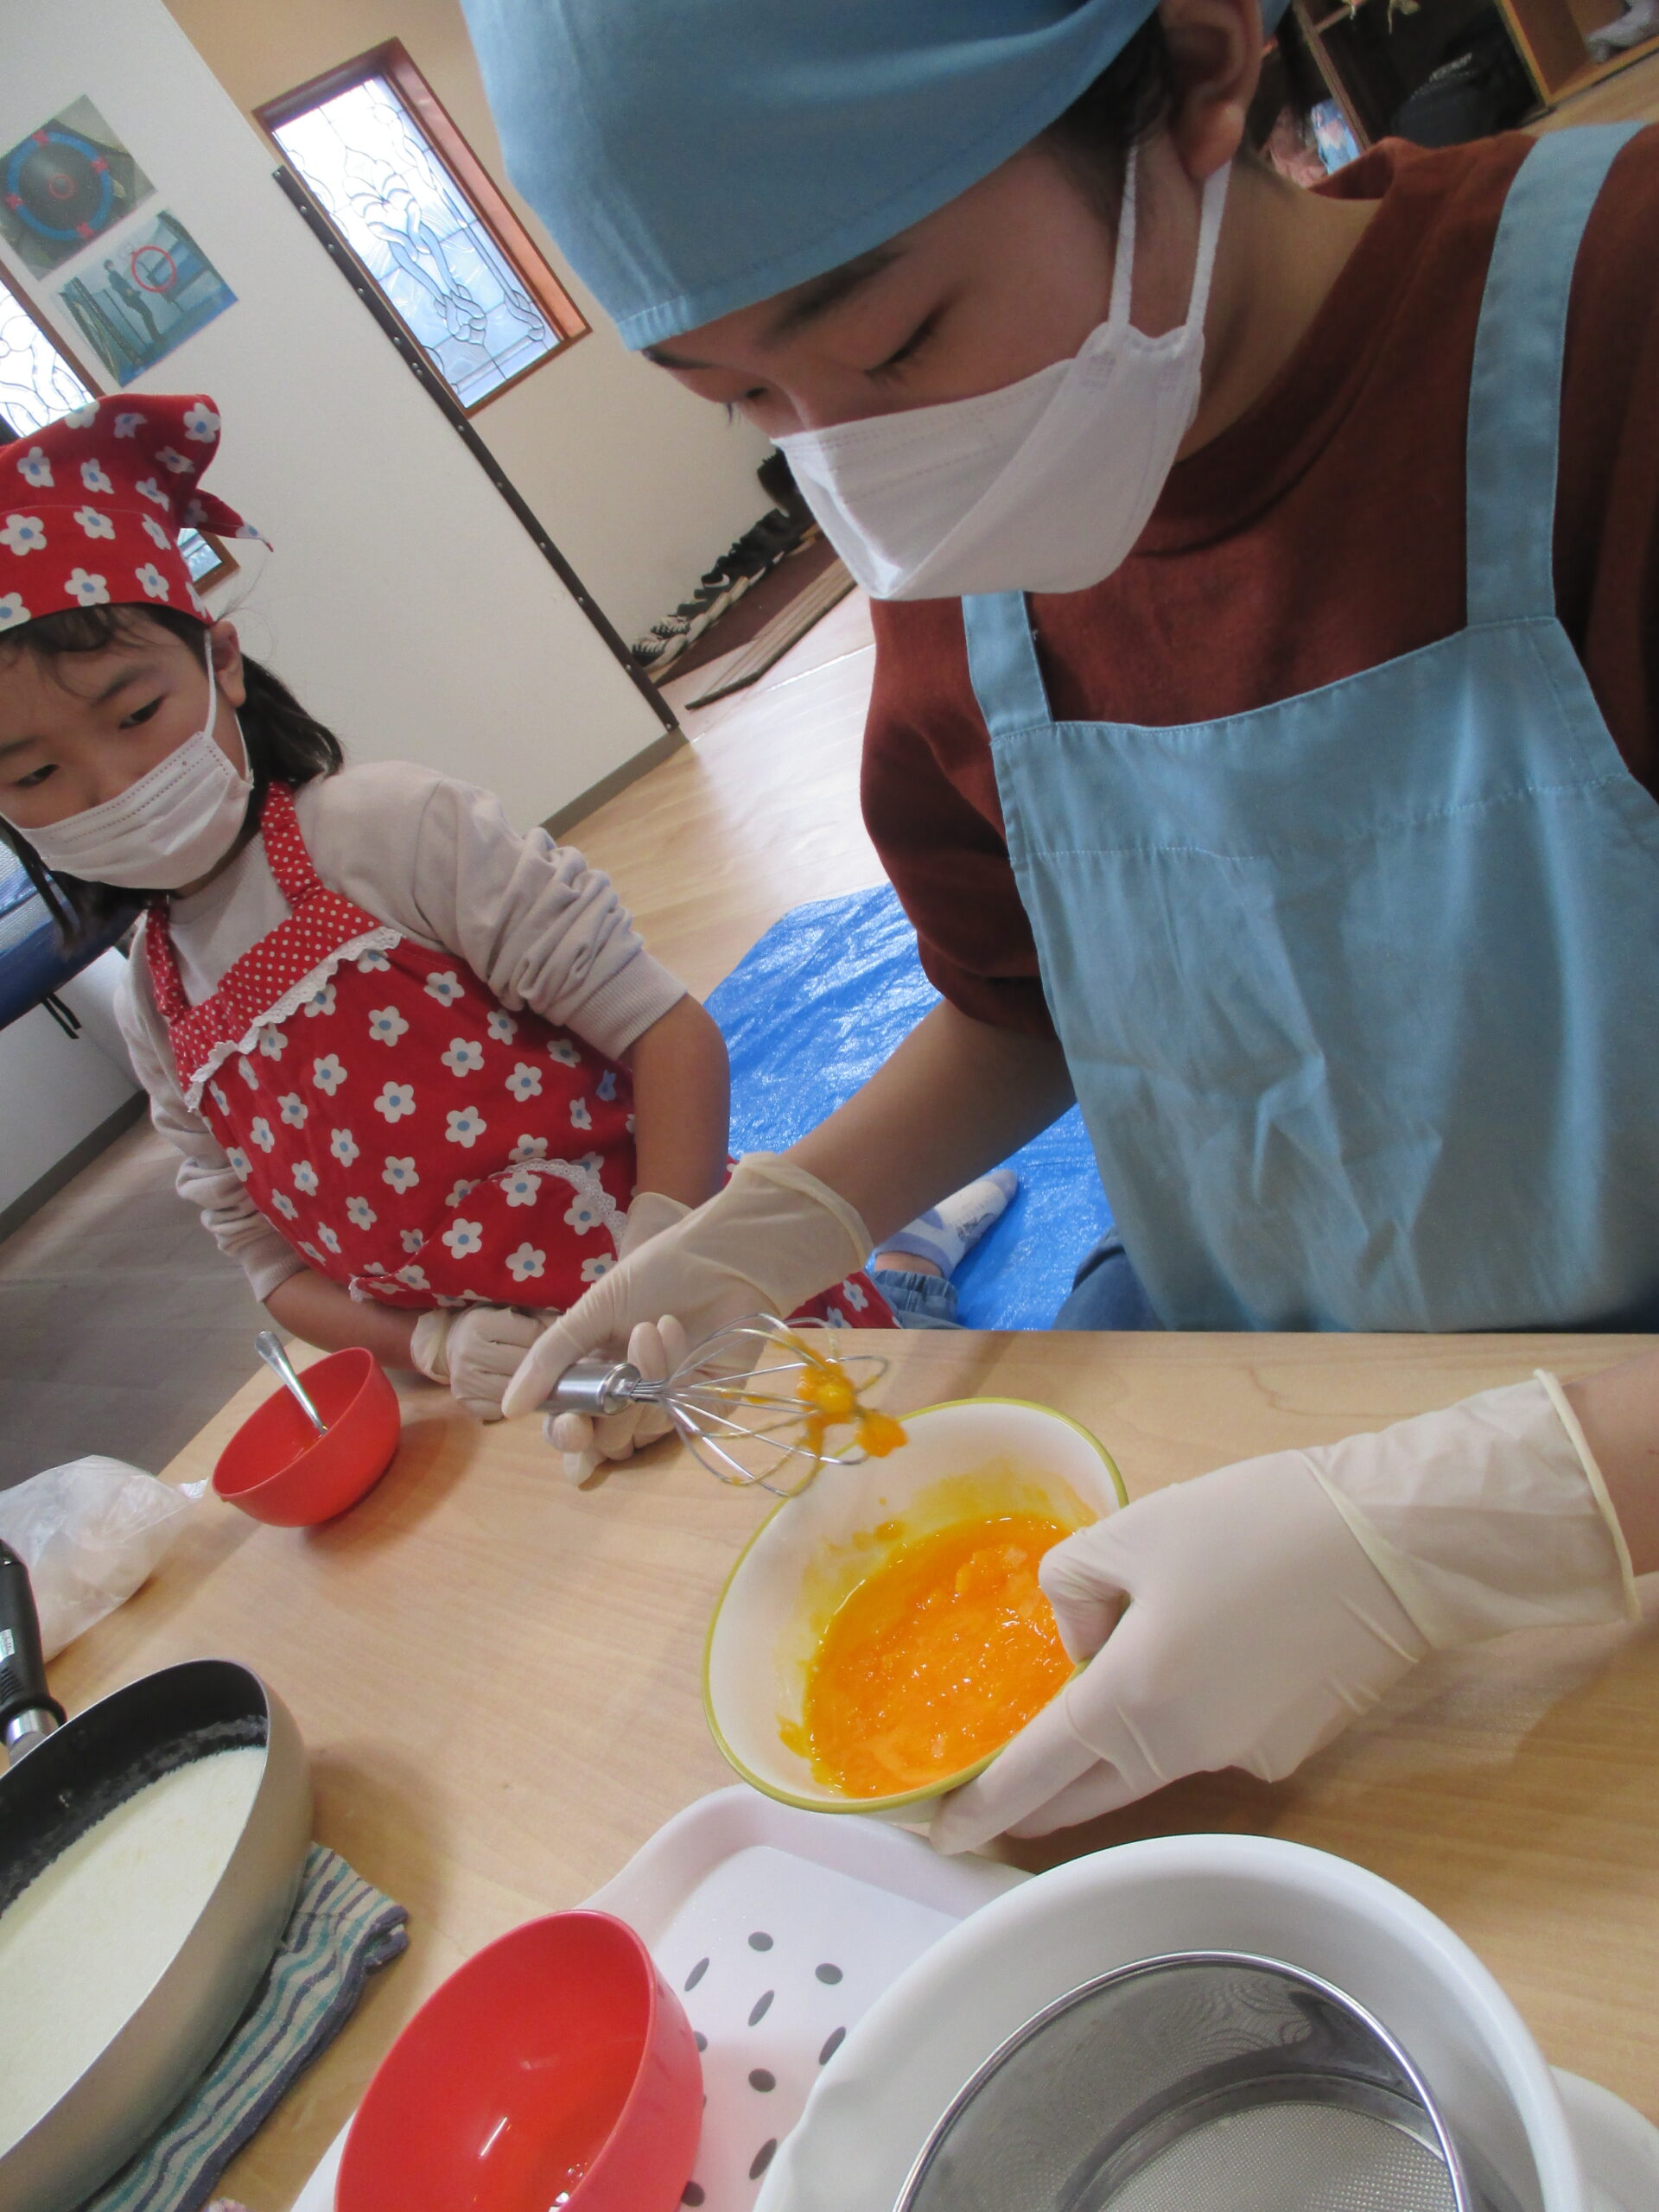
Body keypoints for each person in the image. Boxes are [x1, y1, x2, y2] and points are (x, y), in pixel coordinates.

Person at [458, 0, 1659, 1834]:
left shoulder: (1614, 338)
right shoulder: (979, 538)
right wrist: (782, 1217)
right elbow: (1032, 995)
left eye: (893, 339)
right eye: (745, 404)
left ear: (1200, 64)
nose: (861, 470)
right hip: (1240, 1384)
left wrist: (1479, 1518)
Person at [0, 394, 1006, 1449]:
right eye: (33, 774)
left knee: (873, 1423)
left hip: (691, 1299)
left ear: (223, 664)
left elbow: (667, 1033)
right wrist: (432, 1342)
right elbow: (271, 1267)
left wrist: (663, 1255)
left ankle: (912, 1256)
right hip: (523, 1401)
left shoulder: (389, 833)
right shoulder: (154, 1005)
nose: (111, 783)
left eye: (135, 714)